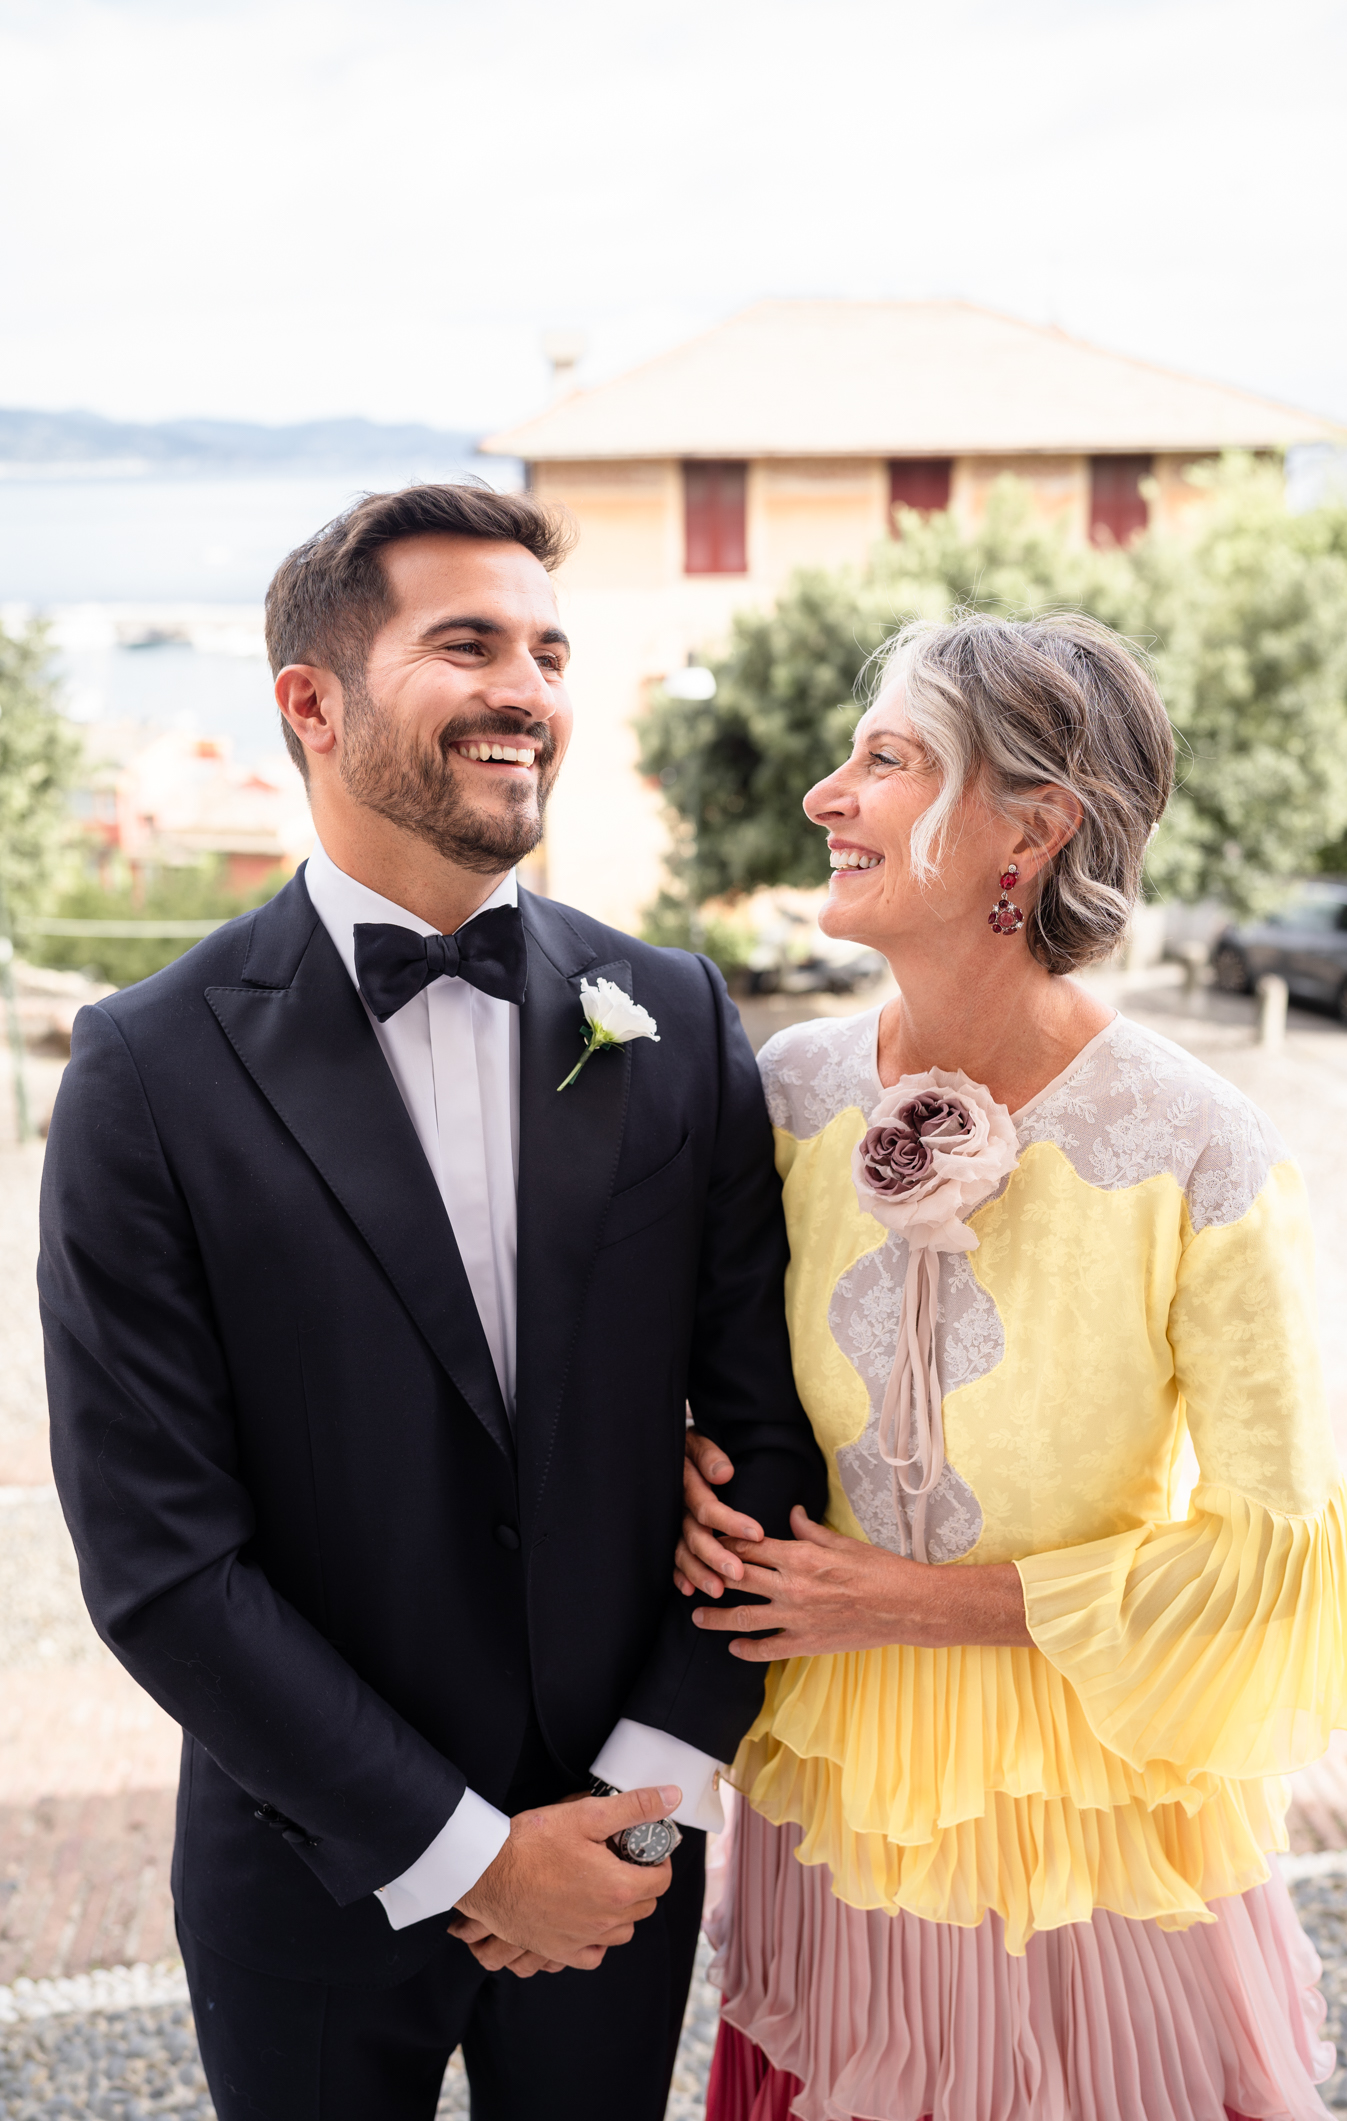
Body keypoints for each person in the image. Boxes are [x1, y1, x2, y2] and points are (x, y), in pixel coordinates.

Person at [38, 482, 826, 2121]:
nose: (527, 690)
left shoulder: (669, 1010)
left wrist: (639, 1798)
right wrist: (459, 1849)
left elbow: (763, 1432)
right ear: (310, 705)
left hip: (623, 1853)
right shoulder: (149, 1068)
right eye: (465, 642)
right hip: (310, 1871)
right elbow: (158, 1557)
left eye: (547, 649)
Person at [675, 612, 1347, 2121]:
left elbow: (1276, 1555)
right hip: (833, 1777)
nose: (825, 793)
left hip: (1090, 1808)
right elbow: (709, 1382)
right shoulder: (787, 1092)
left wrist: (914, 1602)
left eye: (886, 758)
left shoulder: (1202, 1149)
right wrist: (676, 1466)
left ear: (1033, 827)